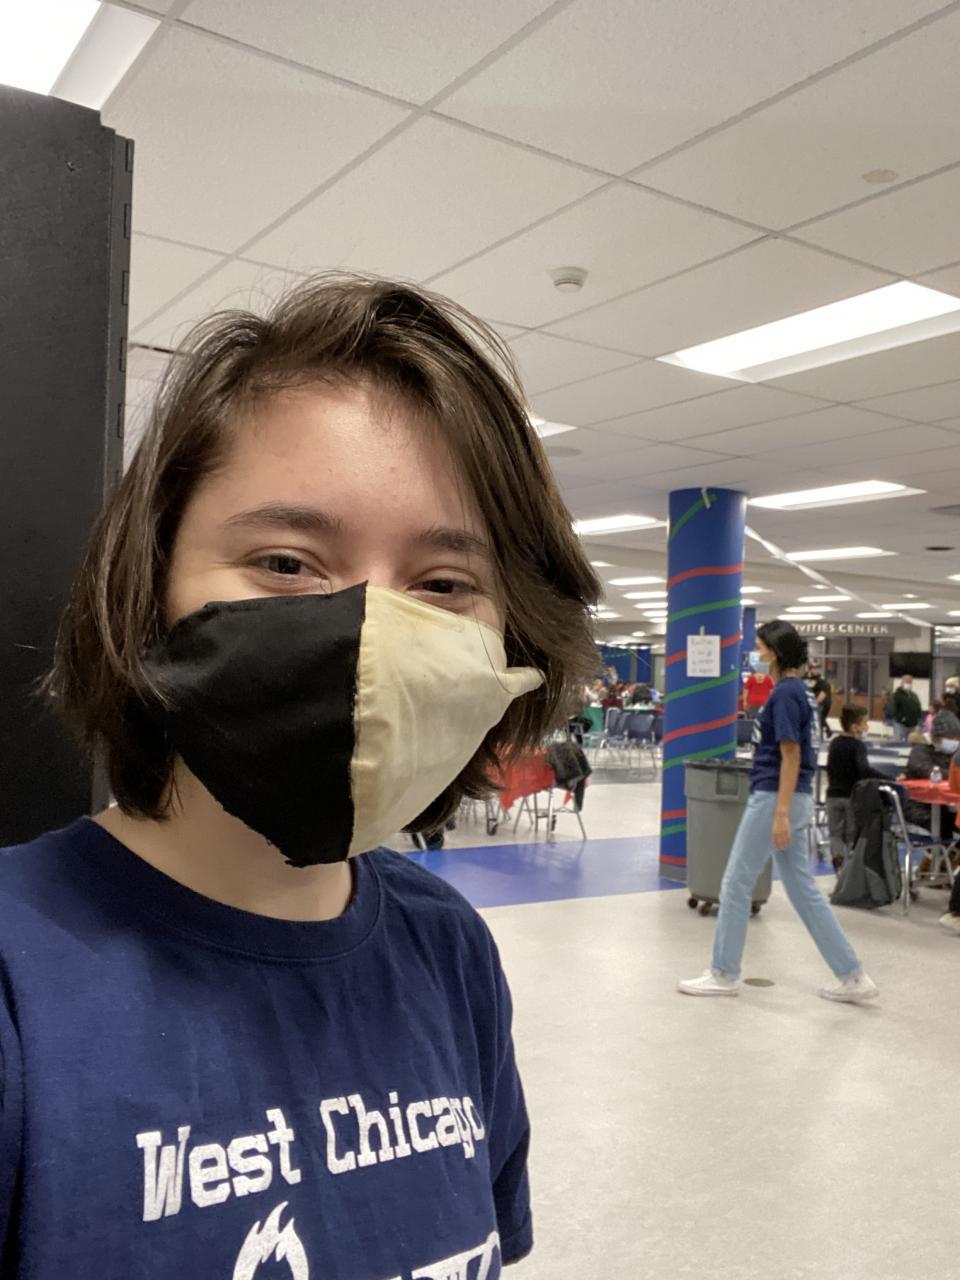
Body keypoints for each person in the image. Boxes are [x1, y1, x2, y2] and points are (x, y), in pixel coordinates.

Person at [0, 276, 603, 1273]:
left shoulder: (448, 948)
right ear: (149, 580)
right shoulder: (20, 980)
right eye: (285, 561)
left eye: (444, 583)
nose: (367, 633)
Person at [679, 620, 878, 1003]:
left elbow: (791, 753)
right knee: (802, 889)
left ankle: (724, 973)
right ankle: (853, 975)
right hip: (793, 796)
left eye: (759, 646)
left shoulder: (786, 693)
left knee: (736, 882)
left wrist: (780, 813)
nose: (756, 652)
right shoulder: (801, 692)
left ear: (775, 650)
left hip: (775, 796)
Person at [825, 705, 886, 870]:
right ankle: (850, 871)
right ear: (854, 727)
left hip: (833, 796)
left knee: (835, 834)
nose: (867, 727)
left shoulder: (835, 743)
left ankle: (838, 864)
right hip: (851, 797)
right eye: (864, 723)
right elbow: (864, 770)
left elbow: (830, 768)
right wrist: (888, 779)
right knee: (852, 835)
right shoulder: (858, 746)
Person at [903, 709, 960, 835]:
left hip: (945, 805)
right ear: (937, 737)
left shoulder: (954, 753)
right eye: (950, 737)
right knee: (943, 830)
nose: (954, 741)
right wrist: (953, 774)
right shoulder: (920, 750)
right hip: (918, 804)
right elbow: (926, 770)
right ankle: (941, 847)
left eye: (957, 738)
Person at [891, 674, 922, 742]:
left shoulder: (914, 695)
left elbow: (918, 707)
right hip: (900, 724)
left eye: (910, 682)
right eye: (907, 682)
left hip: (913, 724)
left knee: (912, 742)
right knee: (899, 742)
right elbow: (894, 710)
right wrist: (901, 718)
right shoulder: (897, 695)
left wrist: (918, 719)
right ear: (902, 683)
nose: (909, 684)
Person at [805, 661, 833, 739]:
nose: (816, 670)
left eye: (817, 668)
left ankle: (825, 732)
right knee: (819, 718)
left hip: (823, 703)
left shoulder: (821, 681)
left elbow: (823, 694)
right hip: (812, 702)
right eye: (814, 668)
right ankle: (827, 730)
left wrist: (814, 704)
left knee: (819, 717)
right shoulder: (805, 678)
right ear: (810, 669)